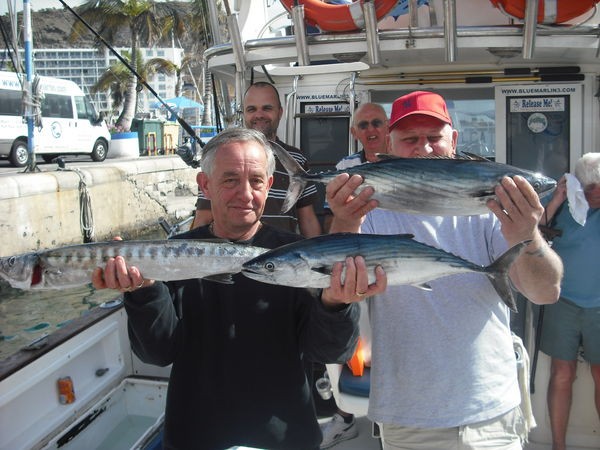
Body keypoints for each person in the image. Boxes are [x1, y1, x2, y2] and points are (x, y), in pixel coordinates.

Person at [91, 127, 386, 450]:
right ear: (205, 185)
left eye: (256, 181)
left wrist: (336, 305)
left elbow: (329, 351)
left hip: (286, 439)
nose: (245, 194)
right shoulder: (169, 256)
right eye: (230, 180)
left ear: (269, 186)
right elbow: (158, 353)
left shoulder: (297, 256)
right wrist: (143, 290)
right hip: (196, 437)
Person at [326, 90, 563, 450]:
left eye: (434, 137)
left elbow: (545, 292)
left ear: (454, 141)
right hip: (408, 414)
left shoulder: (491, 208)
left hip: (490, 410)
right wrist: (344, 220)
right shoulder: (367, 209)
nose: (424, 148)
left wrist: (527, 233)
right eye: (410, 139)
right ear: (389, 145)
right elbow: (340, 285)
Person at [318, 102, 390, 448]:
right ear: (354, 132)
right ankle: (346, 415)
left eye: (377, 123)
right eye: (363, 125)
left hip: (398, 265)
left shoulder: (402, 161)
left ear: (388, 127)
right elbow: (332, 219)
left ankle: (394, 415)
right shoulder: (345, 168)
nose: (371, 130)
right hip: (358, 269)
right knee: (354, 344)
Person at [191, 81, 322, 238]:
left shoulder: (297, 159)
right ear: (244, 114)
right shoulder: (221, 157)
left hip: (284, 251)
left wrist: (316, 252)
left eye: (267, 108)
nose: (259, 115)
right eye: (252, 109)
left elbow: (307, 220)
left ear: (280, 112)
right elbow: (203, 218)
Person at [538, 152, 600, 450]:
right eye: (590, 188)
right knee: (562, 374)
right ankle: (558, 446)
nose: (595, 194)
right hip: (563, 300)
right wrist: (557, 199)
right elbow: (532, 231)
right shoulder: (563, 204)